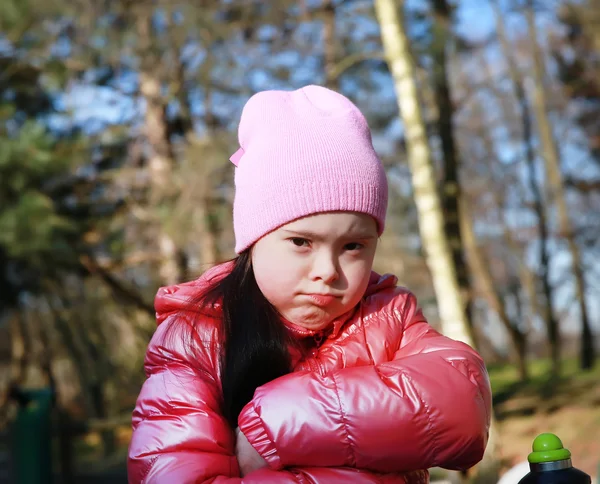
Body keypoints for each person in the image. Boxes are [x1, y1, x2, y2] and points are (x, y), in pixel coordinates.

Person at [127, 85, 492, 483]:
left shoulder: (388, 316)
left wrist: (278, 425)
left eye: (353, 245)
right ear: (253, 240)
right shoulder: (196, 337)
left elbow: (464, 409)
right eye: (301, 242)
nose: (328, 270)